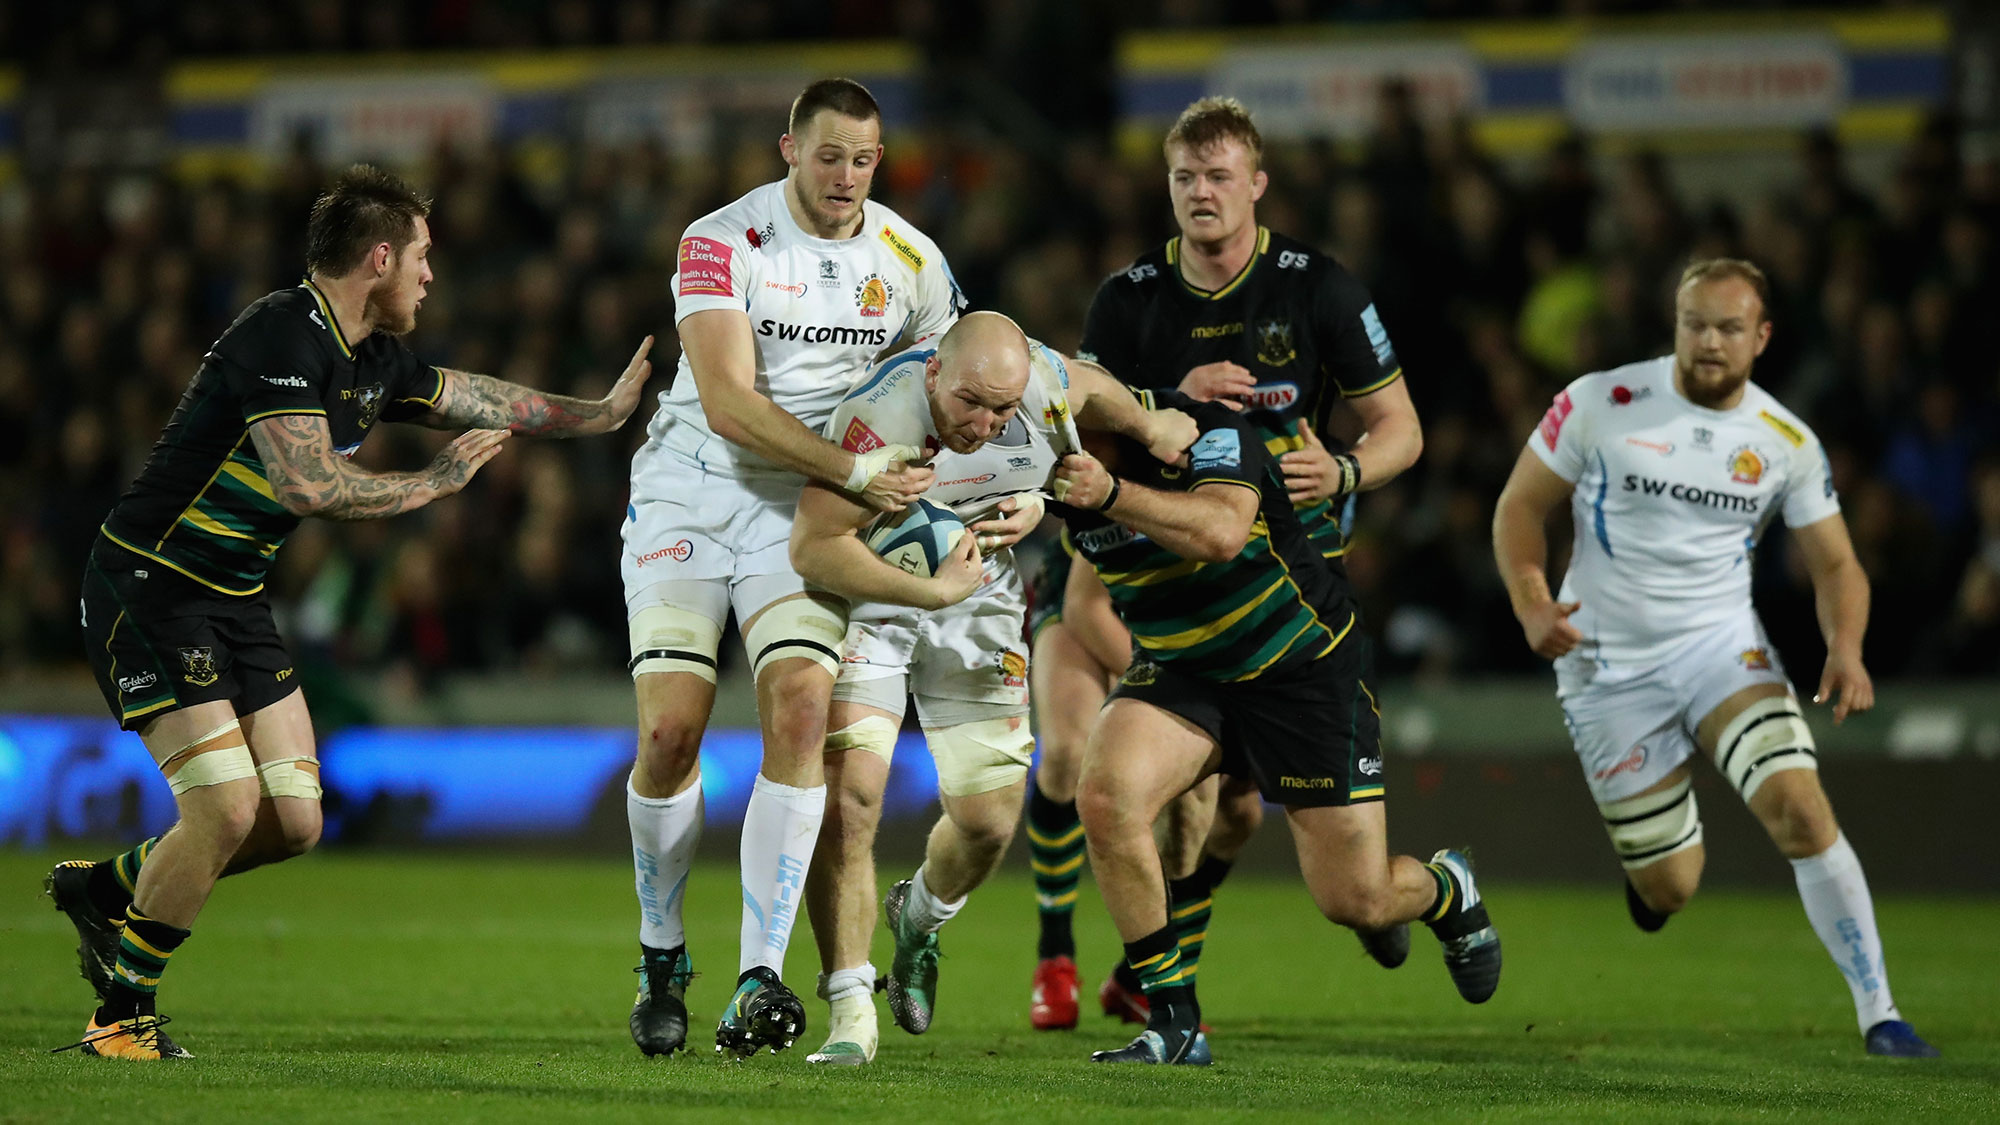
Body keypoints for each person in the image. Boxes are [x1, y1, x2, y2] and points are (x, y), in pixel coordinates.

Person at [46, 164, 656, 1060]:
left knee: (292, 820)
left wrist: (597, 415)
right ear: (379, 257)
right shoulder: (279, 335)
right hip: (153, 588)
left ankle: (106, 890)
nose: (429, 275)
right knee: (220, 807)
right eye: (421, 256)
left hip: (234, 598)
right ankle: (119, 1016)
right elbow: (305, 482)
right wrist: (433, 482)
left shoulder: (372, 359)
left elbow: (481, 396)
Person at [1027, 95, 1425, 1031]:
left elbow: (1403, 426)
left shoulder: (1318, 288)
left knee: (1261, 829)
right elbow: (1088, 407)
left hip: (1294, 584)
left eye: (1218, 177)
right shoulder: (1127, 301)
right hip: (1175, 569)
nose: (1201, 194)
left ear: (1257, 184)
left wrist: (1347, 466)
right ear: (1167, 188)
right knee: (1138, 787)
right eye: (1184, 179)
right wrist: (1167, 397)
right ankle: (1162, 994)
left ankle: (1395, 893)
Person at [1490, 258, 1938, 1059]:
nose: (1708, 341)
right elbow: (1520, 505)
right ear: (1674, 323)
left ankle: (1882, 1014)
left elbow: (1836, 563)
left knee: (1802, 809)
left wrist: (1847, 647)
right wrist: (1530, 597)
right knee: (1673, 886)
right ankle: (1653, 875)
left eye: (1729, 327)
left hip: (1720, 652)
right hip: (1606, 667)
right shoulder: (1601, 401)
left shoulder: (1785, 440)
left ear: (1761, 337)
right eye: (1693, 322)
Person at [617, 77, 964, 1059]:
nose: (846, 177)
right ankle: (659, 952)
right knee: (671, 732)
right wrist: (858, 465)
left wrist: (977, 472)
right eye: (828, 157)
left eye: (863, 159)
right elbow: (726, 403)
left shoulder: (910, 259)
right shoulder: (718, 239)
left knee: (802, 714)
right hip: (692, 488)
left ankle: (757, 978)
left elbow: (950, 383)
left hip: (802, 511)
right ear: (786, 150)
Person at [787, 312, 1194, 1064]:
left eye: (1002, 410)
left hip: (980, 595)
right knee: (853, 796)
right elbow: (811, 547)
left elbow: (1092, 388)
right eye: (970, 402)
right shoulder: (876, 422)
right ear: (935, 373)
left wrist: (1148, 425)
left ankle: (920, 919)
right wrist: (931, 593)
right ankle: (849, 1010)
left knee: (985, 820)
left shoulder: (1035, 380)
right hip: (873, 592)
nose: (985, 423)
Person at [1053, 392, 1498, 1066]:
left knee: (1358, 898)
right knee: (1107, 796)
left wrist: (1111, 492)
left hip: (1298, 667)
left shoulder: (1209, 430)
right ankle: (1174, 1021)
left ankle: (1445, 888)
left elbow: (1221, 534)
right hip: (1184, 668)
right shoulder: (1040, 453)